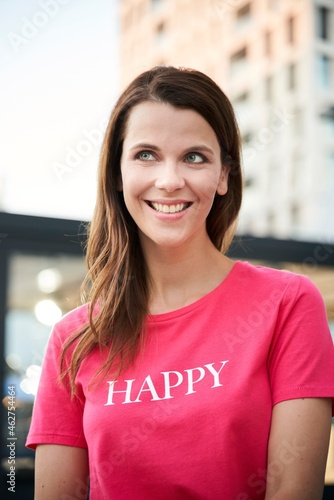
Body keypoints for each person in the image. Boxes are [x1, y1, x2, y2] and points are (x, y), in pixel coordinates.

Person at [26, 66, 334, 500]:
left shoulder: (287, 304)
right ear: (117, 173)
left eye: (194, 156)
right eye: (146, 154)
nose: (169, 181)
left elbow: (292, 490)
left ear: (224, 175)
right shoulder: (73, 339)